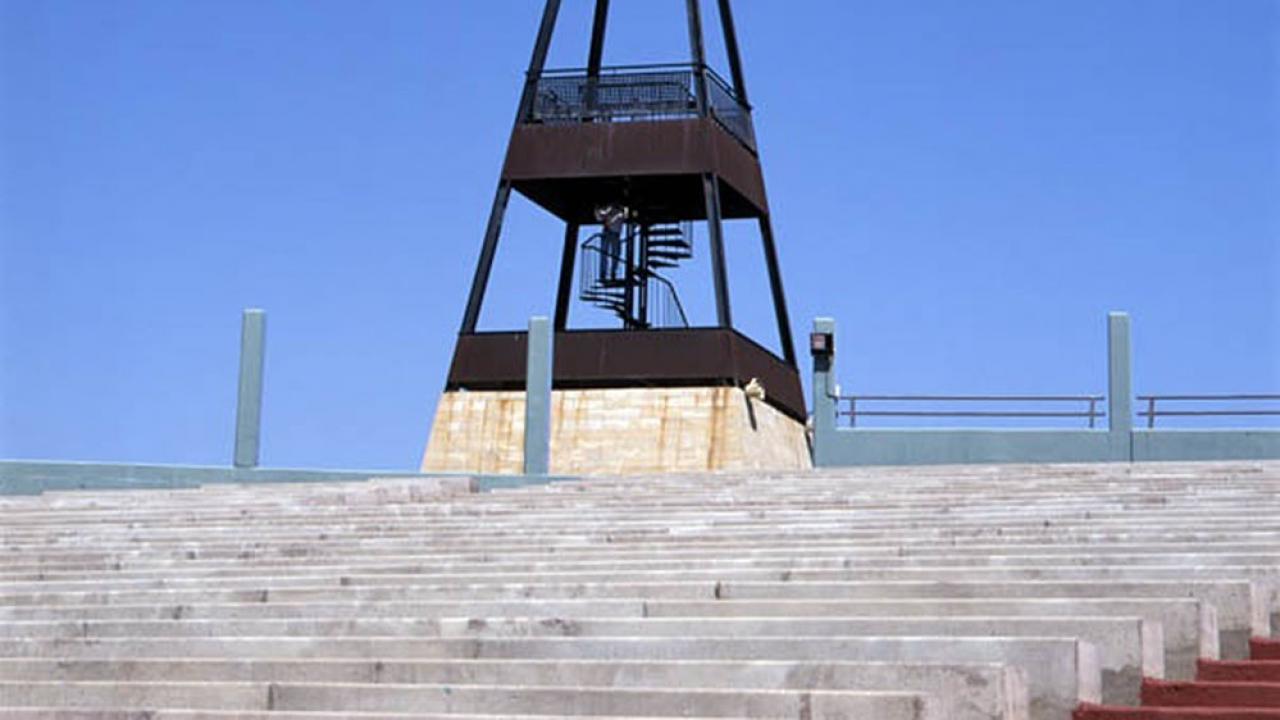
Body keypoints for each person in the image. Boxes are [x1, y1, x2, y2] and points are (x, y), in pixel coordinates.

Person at [593, 203, 629, 281]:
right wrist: (597, 209)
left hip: (615, 234)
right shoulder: (609, 210)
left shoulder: (620, 212)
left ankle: (612, 273)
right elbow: (599, 217)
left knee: (615, 254)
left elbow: (626, 215)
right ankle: (604, 273)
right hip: (609, 233)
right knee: (605, 254)